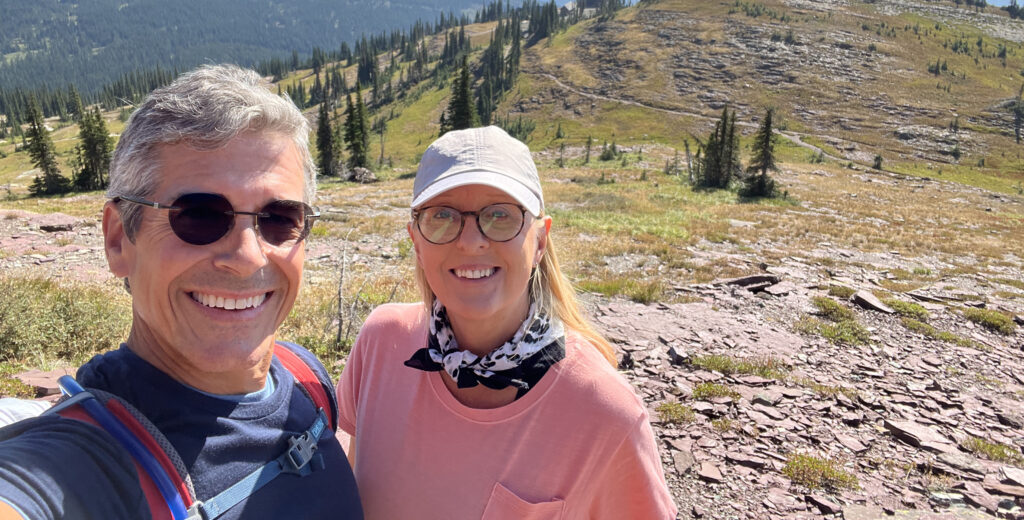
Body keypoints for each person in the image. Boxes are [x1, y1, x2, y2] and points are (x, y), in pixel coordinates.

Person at [0, 64, 362, 520]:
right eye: (199, 215)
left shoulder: (305, 378)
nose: (249, 256)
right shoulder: (86, 463)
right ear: (118, 240)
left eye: (279, 218)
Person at [338, 125, 676, 519]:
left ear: (539, 242)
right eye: (442, 216)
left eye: (500, 215)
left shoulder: (606, 414)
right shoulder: (382, 341)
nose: (470, 241)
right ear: (416, 240)